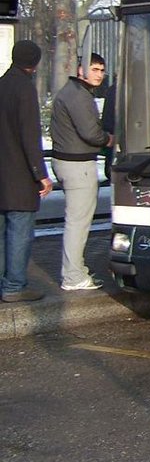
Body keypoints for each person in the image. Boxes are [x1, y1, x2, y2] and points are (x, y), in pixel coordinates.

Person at [50, 52, 111, 292]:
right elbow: (91, 133)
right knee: (78, 223)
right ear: (80, 70)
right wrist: (108, 139)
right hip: (78, 165)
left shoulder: (70, 91)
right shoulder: (80, 95)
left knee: (76, 221)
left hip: (66, 161)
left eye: (102, 70)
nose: (99, 75)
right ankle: (73, 276)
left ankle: (75, 270)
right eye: (94, 69)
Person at [0, 41, 53, 303]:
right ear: (34, 63)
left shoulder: (2, 84)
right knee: (19, 234)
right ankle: (14, 285)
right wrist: (41, 174)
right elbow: (30, 137)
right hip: (19, 179)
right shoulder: (25, 89)